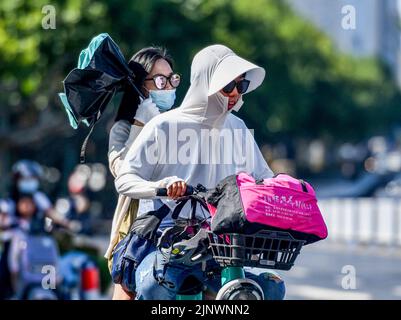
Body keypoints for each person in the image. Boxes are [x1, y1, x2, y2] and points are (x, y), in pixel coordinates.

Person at [114, 44, 285, 300]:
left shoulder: (238, 129)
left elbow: (265, 179)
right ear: (205, 82)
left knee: (269, 290)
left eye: (242, 86)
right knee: (154, 287)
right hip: (166, 239)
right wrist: (161, 186)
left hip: (221, 245)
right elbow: (125, 180)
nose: (236, 93)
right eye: (228, 86)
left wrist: (286, 190)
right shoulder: (163, 126)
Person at [105, 47, 181, 300]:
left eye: (172, 79)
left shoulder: (180, 125)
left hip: (179, 227)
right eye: (160, 80)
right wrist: (141, 124)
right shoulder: (122, 128)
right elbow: (122, 171)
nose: (168, 86)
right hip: (138, 230)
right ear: (140, 85)